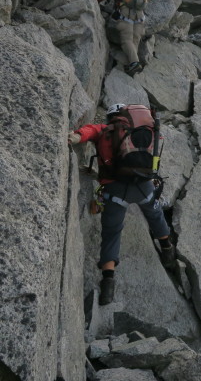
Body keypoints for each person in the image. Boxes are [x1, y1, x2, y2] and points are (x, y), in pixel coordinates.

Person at [68, 103, 175, 306]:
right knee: (155, 215)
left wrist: (75, 136)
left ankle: (108, 283)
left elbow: (89, 130)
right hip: (144, 186)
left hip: (115, 191)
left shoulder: (105, 130)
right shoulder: (144, 129)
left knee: (112, 233)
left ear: (111, 118)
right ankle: (167, 250)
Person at [96, 0, 153, 75]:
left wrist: (95, 0)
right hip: (140, 13)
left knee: (126, 40)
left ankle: (134, 63)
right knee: (135, 38)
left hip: (125, 12)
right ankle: (133, 65)